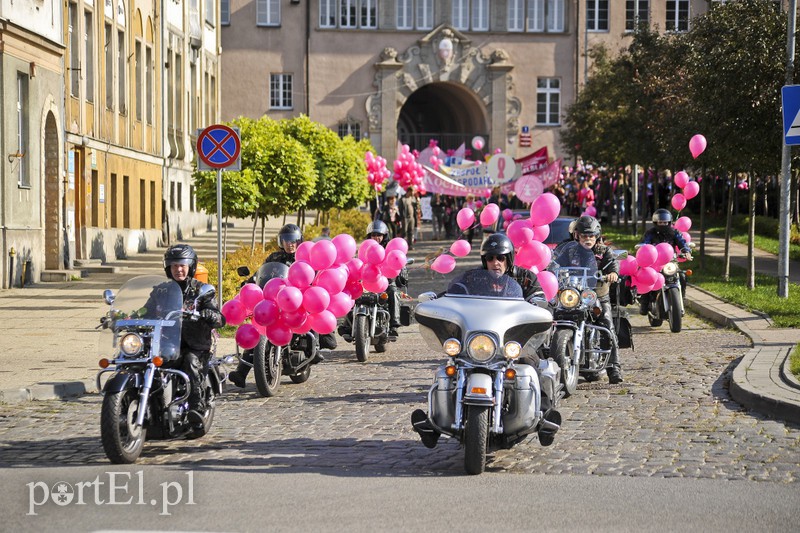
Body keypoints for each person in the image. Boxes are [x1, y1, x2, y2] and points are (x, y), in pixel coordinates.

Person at [228, 224, 330, 388]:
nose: (289, 244)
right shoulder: (274, 257)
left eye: (293, 241)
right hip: (273, 301)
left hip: (295, 301)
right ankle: (241, 373)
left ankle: (314, 349)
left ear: (299, 241)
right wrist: (251, 282)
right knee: (258, 328)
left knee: (309, 312)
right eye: (286, 240)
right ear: (280, 241)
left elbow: (312, 276)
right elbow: (261, 274)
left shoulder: (303, 259)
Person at [160, 244, 225, 428]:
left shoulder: (201, 290)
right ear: (168, 268)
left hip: (196, 345)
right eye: (174, 266)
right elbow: (147, 309)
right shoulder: (161, 290)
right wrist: (130, 316)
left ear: (190, 266)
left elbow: (220, 318)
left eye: (182, 265)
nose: (178, 269)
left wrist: (209, 315)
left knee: (189, 361)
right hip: (168, 344)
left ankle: (196, 407)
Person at [553, 215, 623, 384]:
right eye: (584, 235)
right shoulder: (570, 251)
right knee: (555, 315)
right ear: (577, 235)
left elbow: (613, 263)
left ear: (597, 236)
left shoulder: (603, 251)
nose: (588, 239)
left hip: (597, 294)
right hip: (574, 293)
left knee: (607, 323)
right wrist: (551, 268)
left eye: (591, 235)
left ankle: (614, 367)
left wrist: (612, 273)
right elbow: (556, 262)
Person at [639, 208, 693, 315]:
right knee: (649, 278)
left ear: (669, 222)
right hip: (655, 264)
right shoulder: (650, 233)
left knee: (682, 276)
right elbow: (644, 243)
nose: (663, 224)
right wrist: (643, 248)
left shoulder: (674, 232)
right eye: (660, 222)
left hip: (670, 262)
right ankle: (644, 304)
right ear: (655, 222)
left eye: (665, 222)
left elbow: (682, 243)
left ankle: (681, 298)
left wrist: (686, 251)